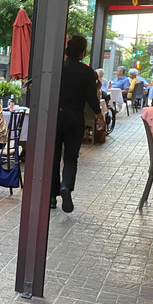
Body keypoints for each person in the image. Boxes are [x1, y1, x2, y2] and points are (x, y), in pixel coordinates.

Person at [51, 36, 105, 213]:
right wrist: (99, 115)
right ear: (83, 52)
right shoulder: (88, 72)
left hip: (55, 116)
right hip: (75, 117)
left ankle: (52, 197)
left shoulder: (57, 69)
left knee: (53, 156)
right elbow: (91, 98)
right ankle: (66, 186)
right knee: (71, 157)